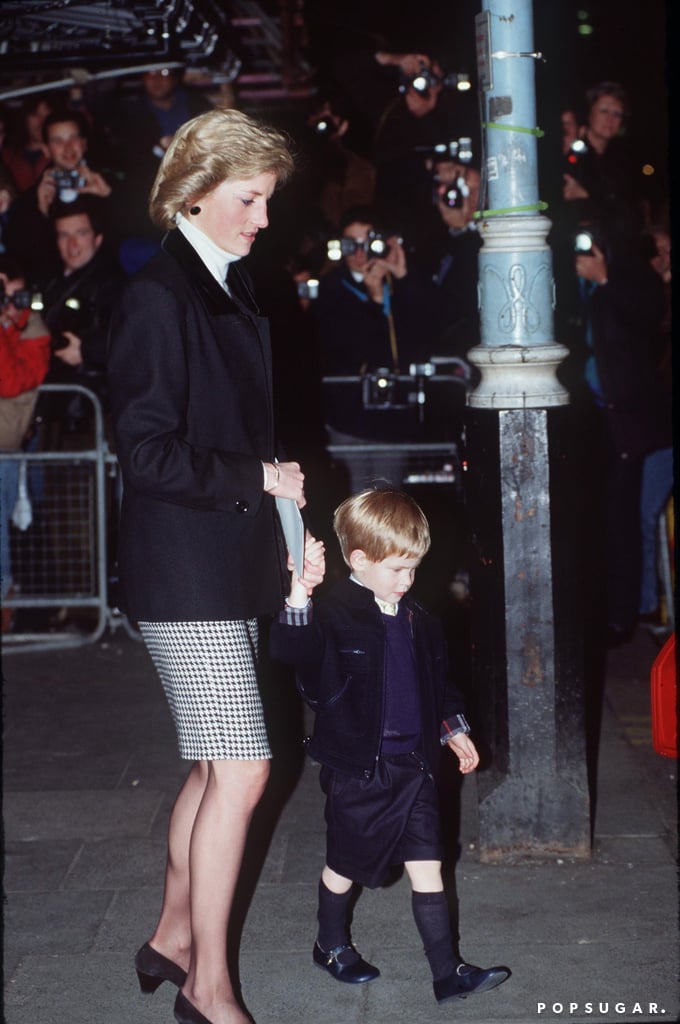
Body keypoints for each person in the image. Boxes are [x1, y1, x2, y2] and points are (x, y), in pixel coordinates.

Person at [107, 108, 315, 1024]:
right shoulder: (163, 296)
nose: (263, 218)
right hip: (183, 572)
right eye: (250, 198)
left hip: (220, 562)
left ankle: (169, 937)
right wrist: (258, 475)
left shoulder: (223, 285)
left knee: (210, 765)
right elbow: (144, 451)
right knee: (244, 767)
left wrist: (281, 532)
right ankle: (209, 987)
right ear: (194, 193)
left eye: (266, 199)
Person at [270, 487, 510, 1004]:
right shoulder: (334, 611)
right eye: (397, 570)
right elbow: (293, 651)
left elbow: (438, 682)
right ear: (359, 559)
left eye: (413, 570)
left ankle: (448, 972)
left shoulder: (418, 617)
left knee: (430, 862)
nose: (407, 581)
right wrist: (297, 595)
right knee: (345, 864)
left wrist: (454, 728)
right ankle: (330, 943)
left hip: (416, 763)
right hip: (362, 768)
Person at [312, 205, 437, 490]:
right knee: (354, 500)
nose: (358, 253)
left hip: (393, 417)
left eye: (367, 243)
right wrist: (374, 300)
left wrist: (402, 275)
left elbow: (428, 327)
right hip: (350, 416)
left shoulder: (399, 284)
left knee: (388, 500)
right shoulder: (331, 287)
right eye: (350, 245)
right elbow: (345, 346)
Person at [37, 197, 125, 443]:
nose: (72, 244)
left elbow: (129, 337)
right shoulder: (51, 283)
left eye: (81, 233)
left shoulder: (114, 283)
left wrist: (86, 350)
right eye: (63, 235)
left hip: (93, 412)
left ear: (97, 238)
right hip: (57, 411)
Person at [3, 108, 115, 284]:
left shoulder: (107, 184)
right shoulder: (31, 199)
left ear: (84, 144)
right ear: (46, 149)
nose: (67, 147)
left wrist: (109, 197)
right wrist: (40, 212)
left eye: (73, 138)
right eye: (58, 141)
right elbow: (18, 254)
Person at [0, 255, 52, 630]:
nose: (9, 302)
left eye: (15, 294)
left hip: (6, 446)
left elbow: (12, 382)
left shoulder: (34, 329)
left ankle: (6, 596)